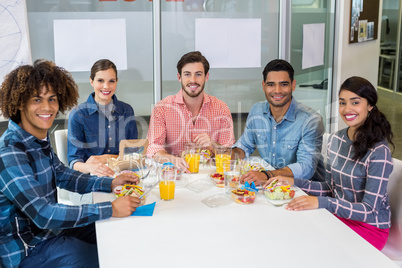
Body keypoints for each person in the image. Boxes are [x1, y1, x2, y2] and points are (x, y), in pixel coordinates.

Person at [0, 60, 141, 267]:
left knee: (119, 232)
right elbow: (43, 214)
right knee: (111, 258)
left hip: (50, 232)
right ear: (20, 103)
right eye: (37, 100)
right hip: (27, 249)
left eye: (52, 99)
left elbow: (63, 175)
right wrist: (110, 207)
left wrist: (108, 184)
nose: (47, 107)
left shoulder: (37, 139)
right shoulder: (10, 151)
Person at [267, 76, 394, 250]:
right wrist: (293, 182)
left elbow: (370, 211)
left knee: (310, 246)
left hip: (370, 228)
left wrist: (323, 203)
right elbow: (331, 188)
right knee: (291, 231)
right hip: (340, 216)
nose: (347, 109)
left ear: (370, 105)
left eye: (355, 102)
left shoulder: (379, 151)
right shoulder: (335, 140)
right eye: (342, 103)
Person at [232, 59, 324, 185]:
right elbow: (245, 146)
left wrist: (266, 175)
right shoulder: (257, 110)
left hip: (301, 189)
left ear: (293, 85)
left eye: (284, 84)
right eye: (271, 85)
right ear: (264, 86)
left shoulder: (310, 120)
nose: (277, 90)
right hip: (270, 186)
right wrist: (223, 153)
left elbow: (306, 168)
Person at [146, 51, 235, 172]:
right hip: (175, 175)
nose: (193, 80)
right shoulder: (162, 108)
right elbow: (153, 148)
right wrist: (172, 159)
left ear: (206, 77)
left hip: (211, 177)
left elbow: (230, 153)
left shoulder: (221, 109)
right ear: (179, 77)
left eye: (198, 74)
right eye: (187, 74)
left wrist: (213, 145)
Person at [68, 59, 138, 177]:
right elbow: (74, 163)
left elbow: (133, 156)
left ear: (117, 82)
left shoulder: (127, 110)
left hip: (122, 174)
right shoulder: (78, 114)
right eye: (100, 80)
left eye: (111, 81)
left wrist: (106, 158)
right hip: (90, 178)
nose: (106, 86)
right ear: (91, 81)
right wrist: (92, 167)